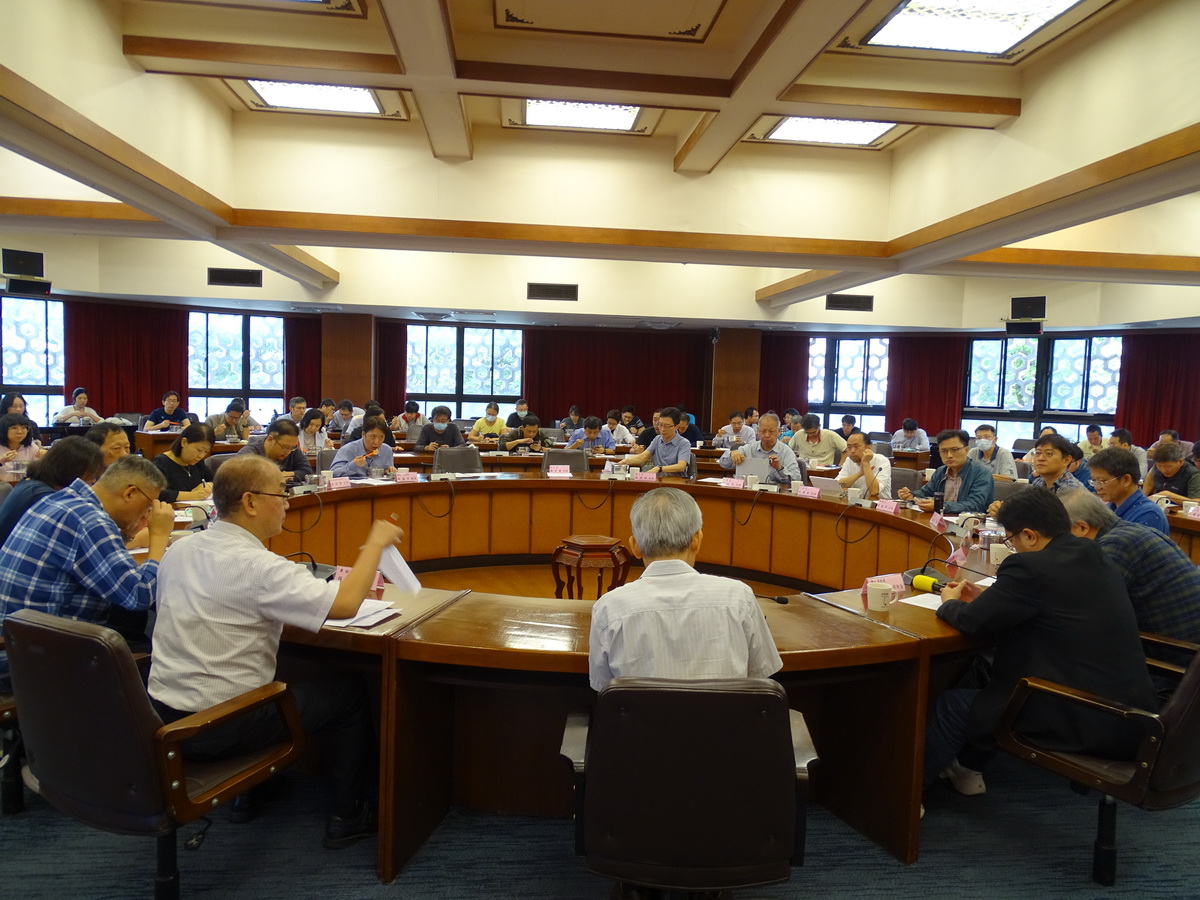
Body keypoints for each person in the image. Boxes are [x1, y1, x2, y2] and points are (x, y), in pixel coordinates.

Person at [148, 454, 403, 847]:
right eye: (281, 494)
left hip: (164, 720)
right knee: (348, 692)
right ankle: (348, 815)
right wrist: (375, 544)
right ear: (250, 502)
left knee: (264, 671)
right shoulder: (259, 567)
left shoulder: (178, 550)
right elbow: (346, 604)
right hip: (223, 727)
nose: (287, 503)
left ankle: (247, 797)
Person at [926, 488, 1157, 796]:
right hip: (1131, 715)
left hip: (1080, 715)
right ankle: (967, 769)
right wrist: (994, 601)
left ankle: (905, 799)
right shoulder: (1094, 553)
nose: (1013, 548)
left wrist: (949, 602)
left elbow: (972, 622)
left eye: (1011, 540)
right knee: (987, 675)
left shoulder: (1030, 567)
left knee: (952, 705)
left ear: (1030, 535)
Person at [0, 455, 173, 684]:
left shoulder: (60, 500)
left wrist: (128, 533)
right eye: (149, 504)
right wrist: (159, 536)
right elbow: (139, 595)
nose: (149, 513)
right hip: (36, 658)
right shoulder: (91, 520)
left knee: (130, 628)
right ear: (130, 493)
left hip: (16, 640)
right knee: (154, 650)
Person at [588, 487, 781, 691]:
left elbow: (603, 687)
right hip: (725, 713)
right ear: (696, 540)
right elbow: (760, 675)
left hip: (642, 714)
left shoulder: (609, 608)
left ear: (635, 546)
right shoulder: (739, 598)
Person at [1060, 490, 1200, 653]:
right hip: (1184, 646)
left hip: (1173, 655)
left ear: (1082, 527)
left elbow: (1087, 610)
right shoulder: (1129, 532)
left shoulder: (1116, 546)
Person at [0, 437, 104, 549]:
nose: (93, 479)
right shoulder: (45, 497)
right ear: (73, 469)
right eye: (91, 472)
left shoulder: (34, 484)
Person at [899, 428, 993, 514]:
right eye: (944, 451)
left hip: (968, 522)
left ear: (966, 450)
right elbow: (926, 492)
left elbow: (975, 505)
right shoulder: (941, 471)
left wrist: (940, 506)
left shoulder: (981, 473)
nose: (949, 455)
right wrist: (911, 495)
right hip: (941, 519)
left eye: (954, 450)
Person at [1087, 447, 1168, 534]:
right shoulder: (1110, 507)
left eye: (1102, 481)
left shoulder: (1148, 515)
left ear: (1126, 480)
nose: (1097, 487)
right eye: (1094, 481)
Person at [717, 412, 800, 484]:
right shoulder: (749, 448)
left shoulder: (787, 452)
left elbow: (796, 479)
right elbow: (723, 463)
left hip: (775, 493)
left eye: (771, 431)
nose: (767, 435)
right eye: (763, 431)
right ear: (757, 431)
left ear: (779, 432)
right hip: (749, 491)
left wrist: (779, 468)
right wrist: (732, 454)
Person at [151, 423, 216, 503]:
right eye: (199, 450)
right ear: (184, 442)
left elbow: (216, 480)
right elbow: (155, 493)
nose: (201, 455)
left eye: (206, 451)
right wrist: (192, 495)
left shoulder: (197, 463)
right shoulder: (160, 463)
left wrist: (208, 485)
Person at [620, 407, 692, 475]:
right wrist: (625, 461)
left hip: (676, 481)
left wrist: (659, 468)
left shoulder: (684, 443)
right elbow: (643, 457)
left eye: (667, 426)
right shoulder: (657, 439)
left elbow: (681, 466)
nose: (662, 429)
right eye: (660, 425)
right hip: (657, 480)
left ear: (676, 426)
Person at [236, 419, 313, 481]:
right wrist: (276, 477)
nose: (288, 452)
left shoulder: (293, 449)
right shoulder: (248, 454)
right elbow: (243, 479)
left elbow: (308, 472)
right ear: (270, 439)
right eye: (285, 447)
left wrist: (287, 474)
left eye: (292, 447)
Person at [331, 416, 397, 477]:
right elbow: (333, 473)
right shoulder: (347, 450)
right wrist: (353, 465)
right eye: (373, 436)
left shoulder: (387, 451)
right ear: (363, 434)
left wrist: (390, 470)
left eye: (381, 437)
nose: (376, 442)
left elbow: (388, 471)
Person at [838, 431, 892, 499]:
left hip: (879, 504)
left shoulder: (882, 461)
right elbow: (838, 485)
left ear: (868, 448)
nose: (852, 451)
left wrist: (866, 463)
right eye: (849, 447)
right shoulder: (849, 460)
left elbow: (874, 491)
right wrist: (860, 473)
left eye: (856, 446)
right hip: (855, 502)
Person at [0, 413, 42, 483]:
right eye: (14, 428)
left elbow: (37, 473)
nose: (20, 432)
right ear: (3, 430)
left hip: (25, 485)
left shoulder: (31, 446)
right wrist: (1, 461)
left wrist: (42, 461)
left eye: (24, 428)